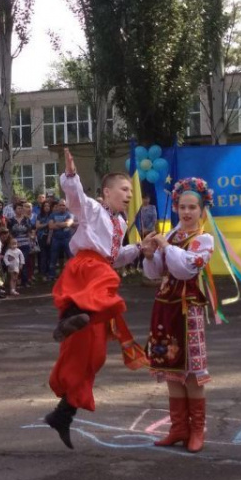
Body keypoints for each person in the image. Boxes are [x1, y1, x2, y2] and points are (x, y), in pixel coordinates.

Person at [44, 149, 148, 450]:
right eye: (124, 189)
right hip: (86, 271)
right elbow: (76, 200)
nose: (129, 194)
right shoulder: (94, 210)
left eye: (130, 190)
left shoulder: (118, 224)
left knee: (94, 355)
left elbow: (114, 257)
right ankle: (70, 317)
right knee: (108, 281)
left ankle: (63, 414)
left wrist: (141, 248)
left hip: (99, 276)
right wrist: (72, 177)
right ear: (107, 191)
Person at [142, 178, 214, 453]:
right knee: (172, 371)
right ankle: (178, 428)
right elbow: (155, 272)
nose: (186, 212)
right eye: (182, 206)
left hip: (189, 310)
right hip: (165, 307)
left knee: (193, 373)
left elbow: (186, 269)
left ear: (202, 210)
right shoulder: (170, 235)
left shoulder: (203, 240)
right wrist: (149, 255)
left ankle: (197, 430)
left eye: (192, 207)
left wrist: (165, 247)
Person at [47, 199, 74, 280]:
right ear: (58, 206)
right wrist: (63, 224)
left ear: (66, 206)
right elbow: (50, 226)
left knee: (70, 257)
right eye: (60, 205)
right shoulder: (52, 215)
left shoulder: (69, 215)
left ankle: (72, 275)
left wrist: (57, 224)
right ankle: (52, 276)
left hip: (67, 239)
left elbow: (69, 224)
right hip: (56, 239)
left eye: (64, 205)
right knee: (53, 258)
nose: (62, 207)